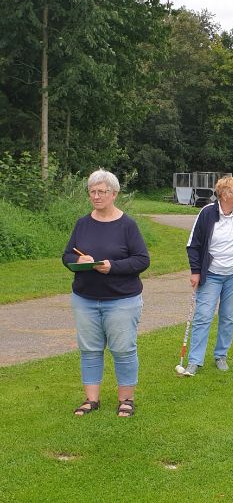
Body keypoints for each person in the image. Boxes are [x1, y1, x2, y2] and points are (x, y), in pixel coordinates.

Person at [63, 169, 150, 417]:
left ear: (114, 194)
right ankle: (91, 400)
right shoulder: (82, 223)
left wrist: (113, 267)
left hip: (122, 299)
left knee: (123, 350)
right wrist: (79, 260)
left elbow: (142, 260)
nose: (96, 196)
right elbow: (67, 255)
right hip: (85, 299)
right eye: (92, 191)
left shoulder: (127, 225)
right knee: (90, 350)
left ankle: (126, 400)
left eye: (101, 191)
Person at [184, 176, 233, 376]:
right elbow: (193, 245)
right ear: (224, 195)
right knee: (203, 316)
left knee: (229, 318)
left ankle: (221, 355)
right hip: (211, 275)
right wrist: (195, 271)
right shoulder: (207, 213)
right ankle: (194, 360)